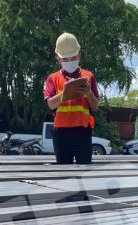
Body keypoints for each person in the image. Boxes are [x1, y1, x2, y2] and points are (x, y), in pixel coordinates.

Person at [44, 32, 99, 164]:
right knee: (63, 171)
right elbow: (50, 104)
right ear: (58, 59)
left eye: (73, 58)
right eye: (65, 59)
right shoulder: (52, 78)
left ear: (79, 56)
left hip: (83, 130)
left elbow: (95, 107)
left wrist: (89, 93)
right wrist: (64, 94)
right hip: (60, 132)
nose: (70, 62)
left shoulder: (88, 76)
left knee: (85, 169)